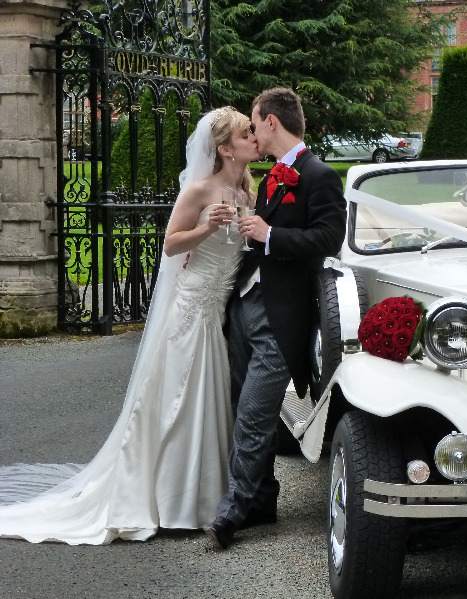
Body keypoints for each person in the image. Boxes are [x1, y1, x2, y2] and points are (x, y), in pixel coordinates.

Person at [0, 106, 261, 544]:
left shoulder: (247, 191)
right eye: (245, 133)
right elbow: (171, 245)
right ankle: (167, 502)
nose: (254, 137)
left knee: (209, 402)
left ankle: (202, 499)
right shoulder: (200, 189)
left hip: (217, 311)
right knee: (176, 401)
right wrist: (204, 230)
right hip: (190, 307)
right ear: (224, 148)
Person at [204, 88, 347, 550]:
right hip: (244, 306)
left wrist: (271, 235)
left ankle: (234, 510)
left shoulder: (319, 175)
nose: (251, 130)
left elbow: (328, 238)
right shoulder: (269, 179)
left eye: (253, 122)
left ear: (270, 122)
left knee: (253, 412)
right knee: (238, 403)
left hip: (282, 316)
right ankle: (263, 498)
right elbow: (259, 241)